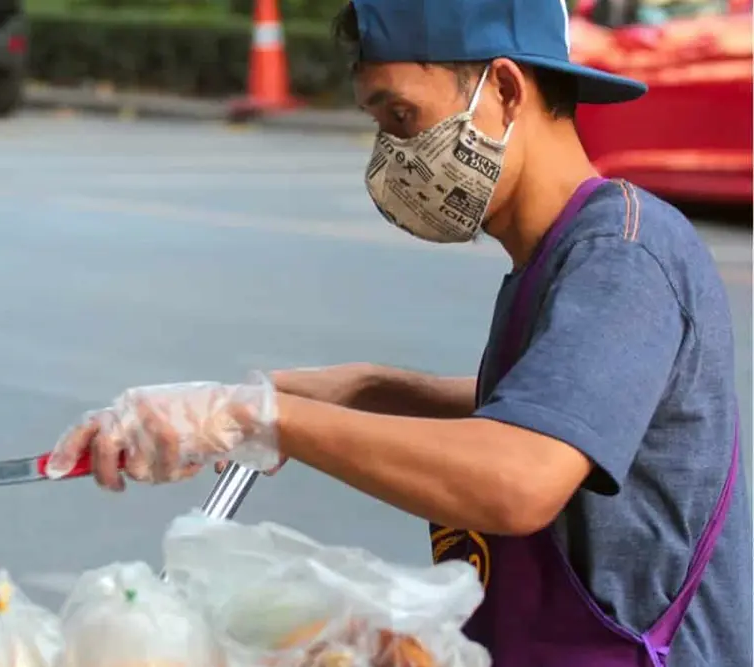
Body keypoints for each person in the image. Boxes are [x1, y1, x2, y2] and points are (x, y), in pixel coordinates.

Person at [46, 0, 752, 664]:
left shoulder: (621, 255)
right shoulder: (561, 253)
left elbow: (518, 477)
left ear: (504, 89)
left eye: (403, 115)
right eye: (378, 122)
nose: (391, 155)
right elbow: (550, 404)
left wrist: (266, 417)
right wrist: (339, 392)